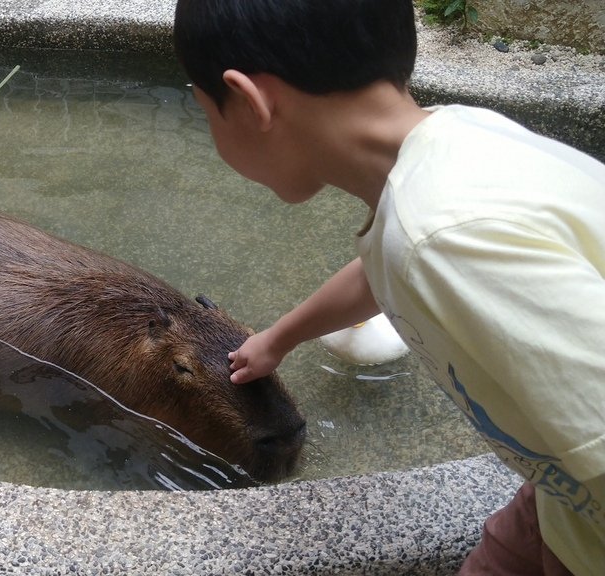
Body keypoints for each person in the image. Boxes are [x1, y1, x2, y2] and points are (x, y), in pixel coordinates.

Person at [172, 0, 605, 573]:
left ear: (252, 103)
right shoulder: (455, 142)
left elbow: (432, 249)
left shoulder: (445, 239)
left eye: (207, 113)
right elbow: (385, 264)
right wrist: (282, 337)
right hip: (564, 495)